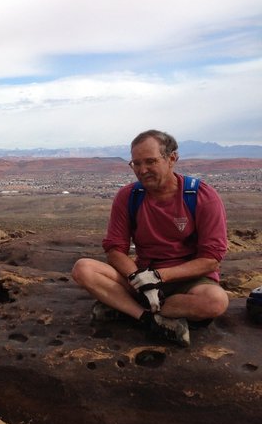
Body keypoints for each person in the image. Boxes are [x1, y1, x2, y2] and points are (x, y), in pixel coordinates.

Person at [71, 129, 229, 346]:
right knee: (83, 269)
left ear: (172, 158)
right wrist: (140, 279)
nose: (142, 170)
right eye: (136, 163)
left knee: (215, 302)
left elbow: (211, 258)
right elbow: (115, 249)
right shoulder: (129, 196)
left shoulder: (201, 196)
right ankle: (147, 318)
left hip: (187, 282)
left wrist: (158, 277)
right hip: (141, 277)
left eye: (150, 162)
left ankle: (123, 307)